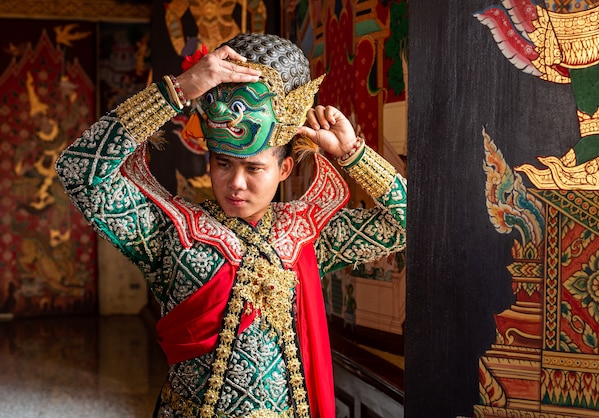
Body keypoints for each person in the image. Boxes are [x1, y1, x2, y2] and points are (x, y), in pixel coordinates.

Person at [55, 33, 406, 418]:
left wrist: (354, 154)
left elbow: (406, 225)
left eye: (254, 168)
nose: (235, 183)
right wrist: (177, 91)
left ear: (284, 169)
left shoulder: (305, 235)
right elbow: (79, 171)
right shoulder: (172, 231)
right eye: (223, 164)